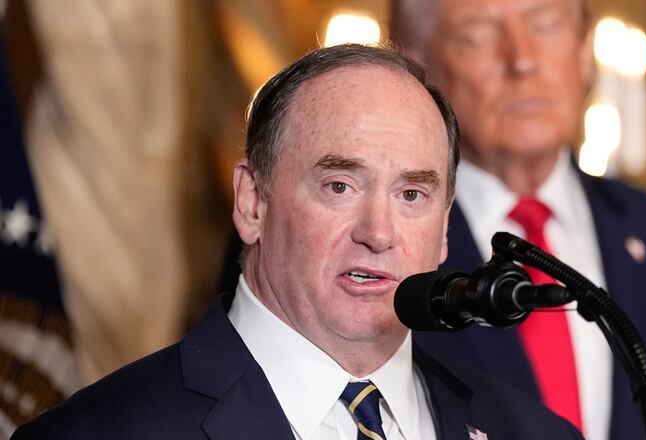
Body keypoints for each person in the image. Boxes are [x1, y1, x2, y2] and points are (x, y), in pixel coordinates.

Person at [11, 44, 584, 440]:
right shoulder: (99, 434)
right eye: (339, 185)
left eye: (412, 195)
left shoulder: (534, 432)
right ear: (252, 203)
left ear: (443, 232)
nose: (378, 233)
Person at [389, 1, 646, 439]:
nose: (522, 60)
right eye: (478, 34)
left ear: (584, 51)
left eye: (544, 25)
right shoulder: (387, 256)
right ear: (416, 67)